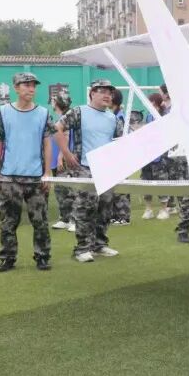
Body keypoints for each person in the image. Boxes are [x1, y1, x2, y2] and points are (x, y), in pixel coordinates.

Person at [54, 79, 122, 262]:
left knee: (105, 207)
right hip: (85, 167)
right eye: (102, 91)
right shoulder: (79, 112)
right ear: (92, 93)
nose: (107, 95)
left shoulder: (112, 118)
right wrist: (66, 154)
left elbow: (119, 142)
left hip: (106, 169)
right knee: (85, 207)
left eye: (110, 92)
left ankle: (99, 244)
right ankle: (82, 248)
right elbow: (57, 129)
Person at [0, 72, 52, 272]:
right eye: (26, 85)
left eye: (33, 85)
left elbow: (47, 144)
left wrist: (47, 172)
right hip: (10, 177)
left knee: (40, 221)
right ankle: (8, 258)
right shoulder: (2, 112)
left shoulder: (43, 113)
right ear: (16, 88)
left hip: (36, 177)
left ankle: (42, 256)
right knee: (8, 222)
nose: (31, 89)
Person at [140, 92, 171, 221]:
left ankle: (164, 209)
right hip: (147, 155)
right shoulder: (148, 117)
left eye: (152, 103)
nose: (150, 105)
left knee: (161, 183)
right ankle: (149, 209)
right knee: (146, 182)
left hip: (160, 157)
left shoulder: (165, 115)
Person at [50, 92, 77, 232]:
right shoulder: (60, 117)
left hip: (65, 159)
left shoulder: (66, 119)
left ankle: (74, 219)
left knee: (70, 190)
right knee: (60, 189)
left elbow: (65, 138)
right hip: (56, 160)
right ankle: (64, 218)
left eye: (54, 100)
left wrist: (61, 156)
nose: (52, 102)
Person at [109, 88, 131, 226]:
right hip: (114, 156)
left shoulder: (120, 117)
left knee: (122, 186)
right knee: (114, 186)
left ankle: (124, 216)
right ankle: (115, 214)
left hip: (120, 156)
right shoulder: (114, 115)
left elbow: (121, 137)